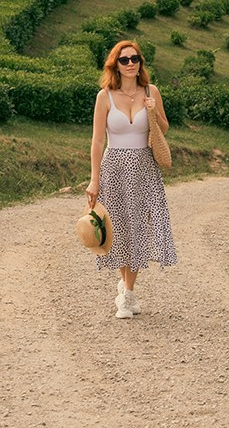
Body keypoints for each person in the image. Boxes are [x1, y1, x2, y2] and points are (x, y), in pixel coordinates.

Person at [86, 39, 177, 319]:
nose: (130, 64)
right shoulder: (105, 96)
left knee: (139, 228)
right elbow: (97, 141)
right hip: (114, 167)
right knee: (120, 231)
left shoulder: (152, 91)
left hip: (144, 168)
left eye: (134, 59)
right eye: (124, 60)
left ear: (140, 63)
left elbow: (164, 127)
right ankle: (127, 288)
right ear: (115, 64)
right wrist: (94, 180)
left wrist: (151, 109)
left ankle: (127, 294)